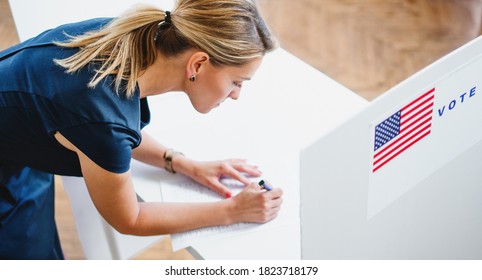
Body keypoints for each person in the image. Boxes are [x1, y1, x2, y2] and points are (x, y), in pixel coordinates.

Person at [0, 0, 283, 259]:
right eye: (237, 82)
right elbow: (129, 218)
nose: (236, 95)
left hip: (17, 140)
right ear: (198, 63)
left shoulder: (130, 36)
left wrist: (182, 163)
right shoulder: (101, 115)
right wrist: (232, 211)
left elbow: (108, 128)